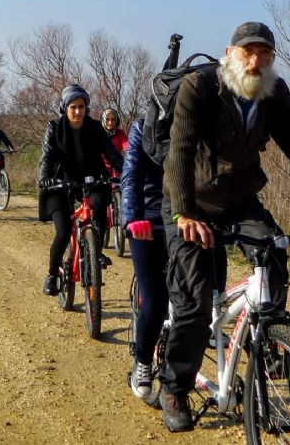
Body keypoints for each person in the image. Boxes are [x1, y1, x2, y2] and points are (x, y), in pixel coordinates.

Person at [158, 22, 290, 432]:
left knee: (276, 253)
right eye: (248, 51)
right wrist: (184, 214)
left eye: (264, 53)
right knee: (195, 304)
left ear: (272, 59)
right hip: (189, 203)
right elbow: (179, 151)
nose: (255, 60)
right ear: (230, 53)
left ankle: (268, 340)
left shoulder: (274, 93)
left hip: (240, 201)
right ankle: (174, 386)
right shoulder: (201, 87)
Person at [37, 84, 124, 296]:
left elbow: (112, 154)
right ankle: (52, 275)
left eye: (82, 106)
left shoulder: (95, 128)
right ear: (65, 108)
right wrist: (45, 178)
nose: (78, 111)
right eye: (73, 106)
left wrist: (126, 172)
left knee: (99, 203)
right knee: (64, 230)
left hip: (91, 178)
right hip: (60, 183)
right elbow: (47, 158)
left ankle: (96, 252)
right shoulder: (54, 128)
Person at [121, 117, 168, 400]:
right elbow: (131, 176)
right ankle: (143, 361)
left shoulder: (200, 121)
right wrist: (132, 218)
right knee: (154, 301)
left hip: (186, 221)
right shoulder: (143, 127)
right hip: (148, 222)